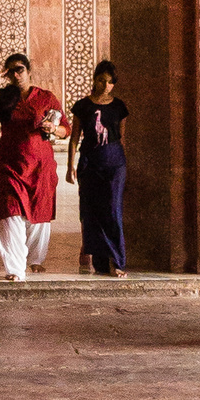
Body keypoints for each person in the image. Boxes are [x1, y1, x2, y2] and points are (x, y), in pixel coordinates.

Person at [0, 53, 68, 280]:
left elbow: (66, 129)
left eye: (20, 69)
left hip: (40, 166)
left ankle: (35, 258)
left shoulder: (45, 98)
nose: (16, 75)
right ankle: (15, 268)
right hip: (10, 164)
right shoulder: (5, 97)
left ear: (29, 70)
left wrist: (53, 129)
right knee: (10, 213)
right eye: (11, 71)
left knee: (38, 214)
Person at [68, 60, 129, 277]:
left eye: (111, 82)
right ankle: (100, 262)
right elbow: (74, 138)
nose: (106, 85)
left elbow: (121, 139)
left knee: (112, 210)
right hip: (90, 163)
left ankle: (118, 261)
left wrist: (124, 164)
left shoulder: (119, 107)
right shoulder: (83, 106)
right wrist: (70, 166)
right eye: (102, 80)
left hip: (114, 164)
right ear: (95, 79)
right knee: (91, 212)